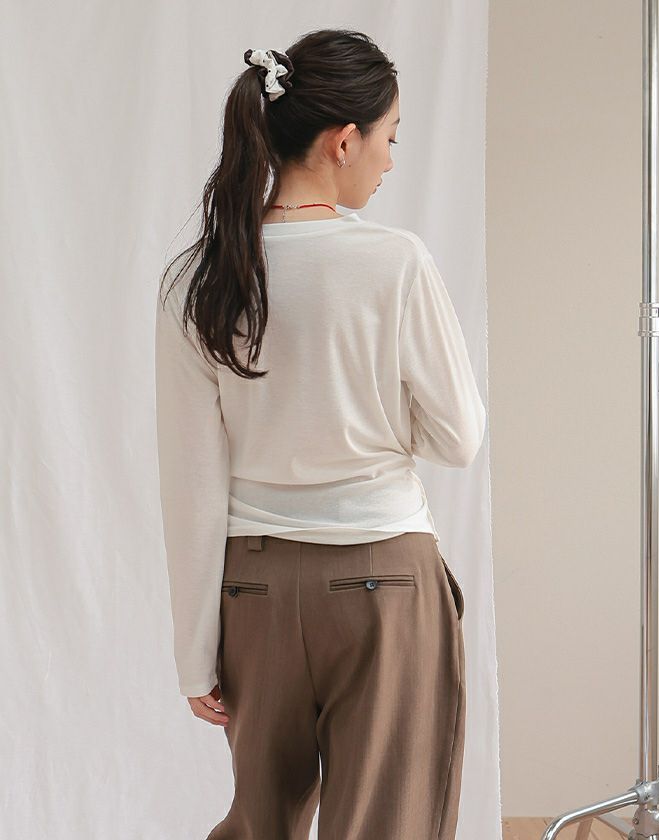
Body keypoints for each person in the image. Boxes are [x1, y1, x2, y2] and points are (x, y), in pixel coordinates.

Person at [154, 27, 486, 840]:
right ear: (344, 140)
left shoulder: (199, 277)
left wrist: (195, 652)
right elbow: (458, 437)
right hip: (387, 584)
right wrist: (377, 416)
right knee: (389, 825)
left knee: (259, 822)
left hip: (254, 592)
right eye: (389, 138)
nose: (390, 160)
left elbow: (191, 482)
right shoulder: (394, 263)